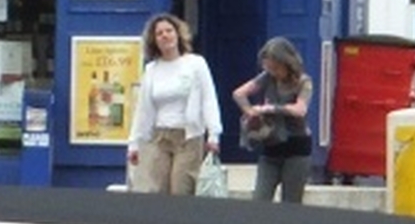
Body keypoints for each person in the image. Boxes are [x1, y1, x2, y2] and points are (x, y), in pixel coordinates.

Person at [126, 11, 221, 196]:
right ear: (154, 41)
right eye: (159, 33)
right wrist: (134, 144)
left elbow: (209, 99)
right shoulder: (152, 69)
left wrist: (214, 134)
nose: (165, 36)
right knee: (158, 189)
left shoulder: (196, 64)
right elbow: (143, 109)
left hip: (188, 136)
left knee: (181, 189)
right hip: (159, 136)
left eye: (169, 30)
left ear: (178, 34)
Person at [232, 37, 315, 203]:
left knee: (291, 202)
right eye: (268, 68)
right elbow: (239, 93)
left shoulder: (303, 82)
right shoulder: (267, 78)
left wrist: (271, 108)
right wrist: (250, 112)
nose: (273, 72)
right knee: (260, 198)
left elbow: (300, 109)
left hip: (296, 147)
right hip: (271, 145)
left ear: (287, 63)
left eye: (276, 68)